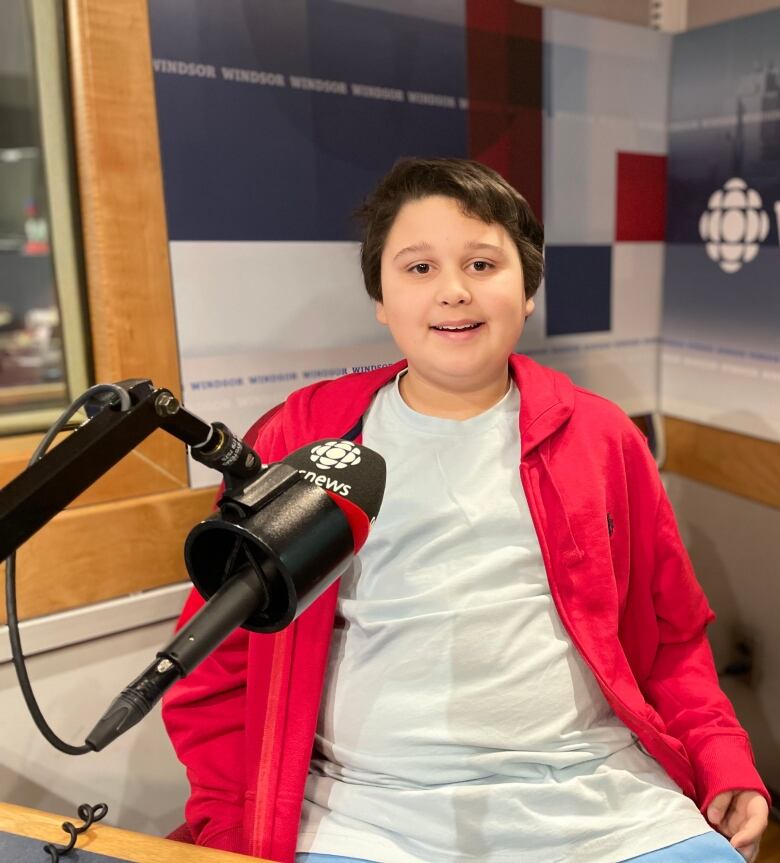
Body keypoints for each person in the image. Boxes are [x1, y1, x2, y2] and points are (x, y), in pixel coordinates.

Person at [163, 158, 770, 863]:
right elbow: (217, 663)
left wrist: (722, 756)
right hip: (363, 814)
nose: (453, 291)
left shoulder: (604, 438)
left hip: (601, 801)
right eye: (418, 269)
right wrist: (231, 822)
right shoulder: (304, 435)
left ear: (528, 288)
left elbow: (672, 640)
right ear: (381, 298)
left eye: (483, 263)